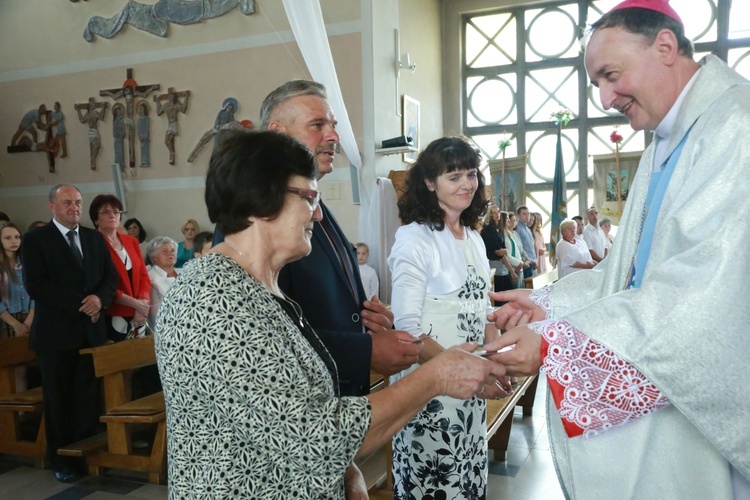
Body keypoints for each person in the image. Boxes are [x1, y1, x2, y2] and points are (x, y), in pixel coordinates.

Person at [484, 1, 750, 497]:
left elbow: (708, 291)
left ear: (665, 47)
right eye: (597, 84)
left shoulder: (736, 124)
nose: (606, 97)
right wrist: (548, 304)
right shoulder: (661, 144)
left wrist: (553, 342)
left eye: (611, 75)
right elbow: (627, 275)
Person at [155, 130, 505, 498]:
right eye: (309, 198)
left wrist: (347, 470)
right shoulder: (214, 298)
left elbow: (285, 408)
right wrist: (435, 376)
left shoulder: (261, 286)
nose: (319, 213)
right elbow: (314, 438)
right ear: (261, 201)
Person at [215, 79, 419, 397]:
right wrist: (363, 350)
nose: (334, 136)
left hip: (336, 394)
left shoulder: (317, 206)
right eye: (317, 125)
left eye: (333, 125)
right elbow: (263, 333)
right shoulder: (252, 216)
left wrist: (369, 321)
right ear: (278, 134)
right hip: (295, 404)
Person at [388, 136, 510, 499]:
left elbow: (481, 310)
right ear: (429, 183)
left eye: (471, 175)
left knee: (468, 480)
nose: (466, 184)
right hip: (431, 388)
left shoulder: (473, 238)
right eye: (453, 176)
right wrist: (457, 368)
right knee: (435, 484)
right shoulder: (415, 239)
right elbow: (408, 329)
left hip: (468, 386)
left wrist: (493, 363)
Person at [22, 184, 118, 483]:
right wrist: (83, 303)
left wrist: (100, 299)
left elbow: (109, 276)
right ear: (52, 206)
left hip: (90, 333)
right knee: (59, 400)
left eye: (77, 202)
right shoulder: (36, 240)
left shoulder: (92, 237)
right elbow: (37, 285)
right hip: (56, 335)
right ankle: (61, 459)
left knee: (87, 398)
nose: (74, 207)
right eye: (67, 202)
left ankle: (85, 454)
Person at [89, 195, 151, 341]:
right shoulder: (92, 244)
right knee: (122, 360)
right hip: (114, 312)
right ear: (96, 219)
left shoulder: (131, 241)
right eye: (106, 212)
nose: (112, 215)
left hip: (139, 311)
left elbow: (143, 276)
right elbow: (99, 283)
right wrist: (134, 304)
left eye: (116, 212)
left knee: (142, 359)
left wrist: (142, 305)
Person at [0, 223, 34, 392]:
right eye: (7, 238)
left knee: (22, 369)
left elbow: (36, 293)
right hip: (6, 320)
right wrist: (15, 324)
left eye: (17, 237)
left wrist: (28, 321)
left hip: (29, 318)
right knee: (7, 369)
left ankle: (23, 415)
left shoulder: (27, 263)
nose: (13, 241)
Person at [147, 237, 179, 330]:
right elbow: (155, 314)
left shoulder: (184, 272)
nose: (171, 253)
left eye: (173, 250)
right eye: (165, 251)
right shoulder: (150, 278)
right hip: (167, 327)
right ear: (154, 257)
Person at [154, 87, 190, 165]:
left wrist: (186, 97)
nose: (171, 98)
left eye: (172, 96)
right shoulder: (166, 105)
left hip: (174, 124)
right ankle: (171, 153)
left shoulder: (177, 104)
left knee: (167, 140)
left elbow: (183, 109)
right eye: (170, 96)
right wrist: (158, 101)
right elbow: (159, 113)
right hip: (169, 125)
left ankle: (172, 154)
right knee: (167, 141)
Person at [480, 205, 512, 292]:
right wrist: (511, 271)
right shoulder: (488, 230)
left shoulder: (499, 229)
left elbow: (504, 249)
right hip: (494, 264)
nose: (497, 214)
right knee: (500, 292)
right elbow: (498, 252)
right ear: (489, 215)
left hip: (503, 265)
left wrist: (505, 251)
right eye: (494, 213)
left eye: (498, 211)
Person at [74, 98, 108, 170]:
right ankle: (93, 159)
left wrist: (103, 108)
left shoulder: (92, 113)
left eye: (93, 103)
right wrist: (78, 111)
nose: (93, 105)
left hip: (94, 131)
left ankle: (93, 160)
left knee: (97, 146)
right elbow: (82, 120)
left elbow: (101, 117)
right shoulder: (91, 113)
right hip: (92, 131)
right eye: (91, 104)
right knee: (97, 145)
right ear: (89, 105)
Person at [514, 205, 537, 278]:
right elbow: (519, 247)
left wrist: (535, 260)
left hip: (532, 262)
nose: (527, 216)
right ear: (518, 215)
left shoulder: (527, 228)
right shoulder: (517, 228)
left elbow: (531, 246)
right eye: (524, 214)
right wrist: (529, 260)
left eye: (528, 214)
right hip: (525, 263)